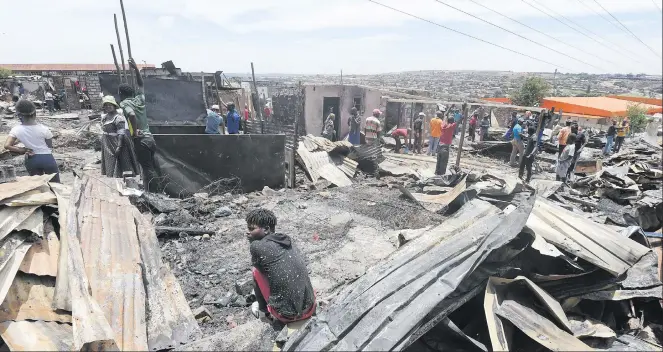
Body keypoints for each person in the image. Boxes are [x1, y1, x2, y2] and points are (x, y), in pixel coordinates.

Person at [246, 209, 316, 324]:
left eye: (251, 229)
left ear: (266, 229)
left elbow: (262, 271)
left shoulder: (256, 246)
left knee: (255, 272)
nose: (247, 232)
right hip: (310, 307)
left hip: (287, 316)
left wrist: (251, 242)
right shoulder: (285, 239)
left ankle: (264, 312)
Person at [119, 58, 160, 192]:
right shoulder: (140, 99)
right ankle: (158, 190)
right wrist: (136, 69)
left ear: (121, 94)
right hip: (150, 139)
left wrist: (135, 131)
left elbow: (131, 115)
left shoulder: (125, 104)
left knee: (147, 169)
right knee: (153, 167)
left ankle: (154, 195)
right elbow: (141, 84)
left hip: (141, 140)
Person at [4, 100, 60, 182]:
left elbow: (7, 145)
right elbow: (49, 146)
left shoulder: (16, 129)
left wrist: (23, 150)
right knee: (55, 184)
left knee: (38, 184)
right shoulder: (44, 129)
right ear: (35, 114)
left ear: (19, 115)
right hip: (47, 158)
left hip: (31, 159)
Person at [99, 96, 140, 178]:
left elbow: (121, 133)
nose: (108, 107)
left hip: (117, 141)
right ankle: (115, 178)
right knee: (110, 160)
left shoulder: (118, 118)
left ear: (114, 106)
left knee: (122, 160)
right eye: (106, 105)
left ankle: (127, 181)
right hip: (107, 142)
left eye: (110, 105)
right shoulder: (105, 117)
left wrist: (119, 146)